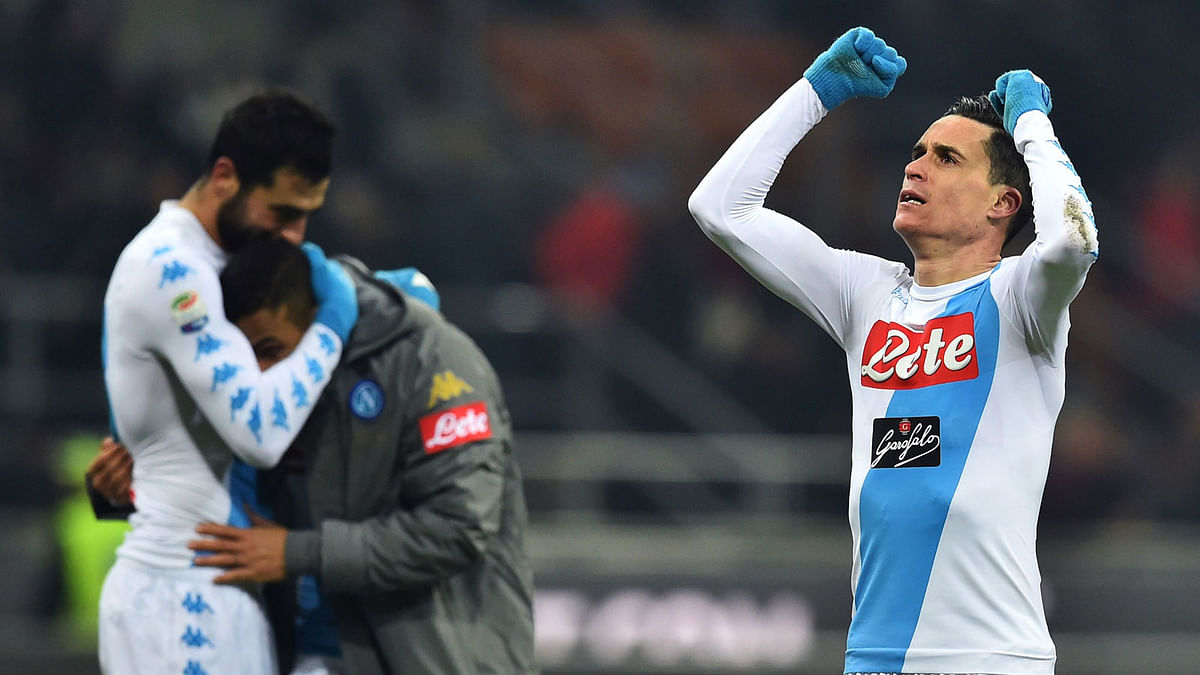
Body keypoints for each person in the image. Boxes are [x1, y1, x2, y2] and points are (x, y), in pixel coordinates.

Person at [688, 27, 1097, 675]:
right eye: (917, 152)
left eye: (946, 158)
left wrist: (1032, 127)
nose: (916, 166)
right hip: (874, 658)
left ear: (1004, 202)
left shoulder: (1020, 299)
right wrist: (815, 94)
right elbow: (719, 208)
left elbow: (1073, 243)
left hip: (989, 658)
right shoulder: (866, 295)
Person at [185, 238, 536, 674]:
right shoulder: (263, 399)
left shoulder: (434, 362)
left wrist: (300, 553)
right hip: (311, 656)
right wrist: (128, 486)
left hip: (435, 658)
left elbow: (457, 526)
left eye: (271, 350)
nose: (259, 373)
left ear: (320, 322)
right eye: (244, 356)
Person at [99, 89, 360, 675]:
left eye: (307, 217)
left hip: (219, 585)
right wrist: (335, 320)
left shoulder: (218, 264)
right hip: (178, 593)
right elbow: (260, 431)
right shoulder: (173, 270)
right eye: (283, 212)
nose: (294, 235)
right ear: (225, 177)